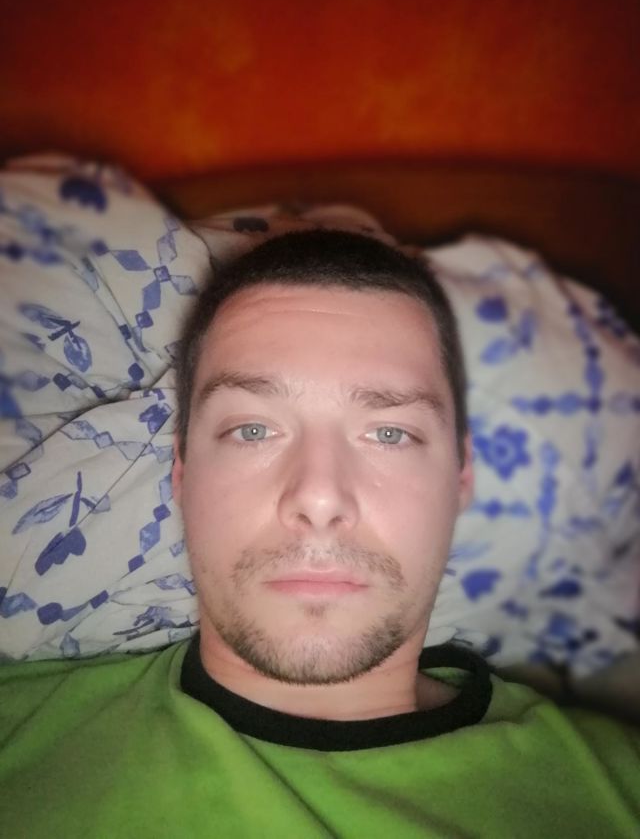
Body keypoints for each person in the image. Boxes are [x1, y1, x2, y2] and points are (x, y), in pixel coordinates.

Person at [0, 230, 638, 837]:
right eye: (252, 430)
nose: (319, 497)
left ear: (462, 476)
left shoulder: (617, 787)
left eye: (390, 433)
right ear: (182, 474)